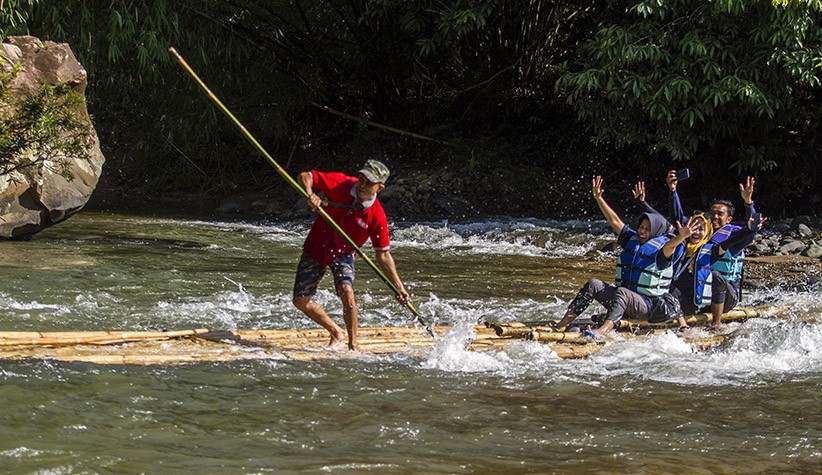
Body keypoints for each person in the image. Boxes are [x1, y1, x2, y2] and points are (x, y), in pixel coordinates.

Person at [293, 159, 410, 351]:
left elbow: (383, 255)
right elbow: (306, 176)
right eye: (361, 179)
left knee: (347, 291)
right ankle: (336, 331)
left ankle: (353, 344)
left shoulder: (377, 216)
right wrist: (310, 194)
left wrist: (399, 287)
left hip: (344, 252)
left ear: (379, 188)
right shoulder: (341, 183)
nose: (362, 185)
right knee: (300, 300)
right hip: (317, 245)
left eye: (369, 183)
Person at [553, 176, 689, 337]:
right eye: (641, 227)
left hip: (647, 306)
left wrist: (681, 237)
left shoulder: (663, 250)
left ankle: (603, 330)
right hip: (625, 301)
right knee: (593, 284)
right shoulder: (631, 239)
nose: (642, 231)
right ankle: (564, 322)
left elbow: (672, 245)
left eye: (647, 229)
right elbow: (614, 220)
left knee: (622, 293)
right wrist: (599, 198)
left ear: (656, 231)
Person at [666, 172, 761, 329]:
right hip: (703, 295)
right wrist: (673, 191)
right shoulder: (703, 232)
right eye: (712, 213)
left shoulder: (734, 237)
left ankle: (717, 324)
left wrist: (748, 204)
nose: (715, 217)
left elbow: (750, 232)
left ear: (729, 219)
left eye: (720, 214)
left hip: (727, 295)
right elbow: (677, 219)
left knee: (715, 276)